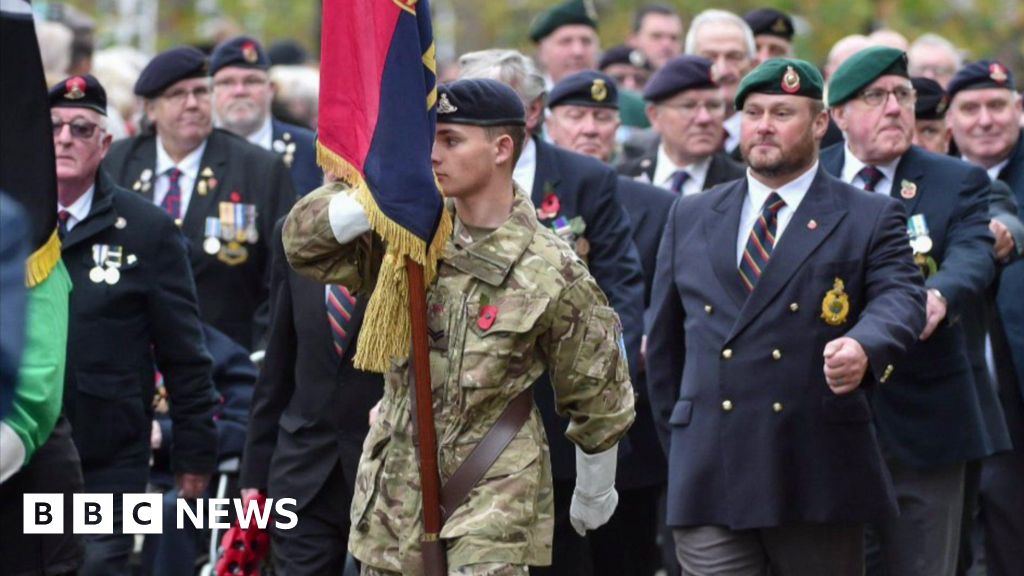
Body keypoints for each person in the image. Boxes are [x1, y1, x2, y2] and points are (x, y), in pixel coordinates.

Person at [282, 78, 635, 575]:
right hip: (396, 491)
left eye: (450, 140)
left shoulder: (551, 267)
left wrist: (595, 487)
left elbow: (599, 392)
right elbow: (303, 245)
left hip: (493, 487)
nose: (433, 155)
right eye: (430, 140)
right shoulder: (406, 236)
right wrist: (379, 197)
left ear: (501, 148)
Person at [647, 57, 927, 576]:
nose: (764, 126)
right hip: (710, 467)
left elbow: (901, 297)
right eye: (753, 113)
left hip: (814, 467)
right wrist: (683, 440)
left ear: (820, 123)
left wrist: (865, 344)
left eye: (782, 112)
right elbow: (665, 344)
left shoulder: (867, 214)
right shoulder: (691, 214)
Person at [459, 49, 646, 576]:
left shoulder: (585, 179)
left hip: (559, 419)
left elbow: (619, 293)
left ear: (532, 112)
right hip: (469, 426)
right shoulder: (442, 180)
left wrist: (601, 383)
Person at [821, 47, 997, 576]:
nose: (896, 107)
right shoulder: (811, 177)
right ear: (837, 116)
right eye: (875, 97)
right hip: (826, 420)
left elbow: (973, 254)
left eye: (902, 95)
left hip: (925, 417)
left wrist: (938, 295)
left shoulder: (955, 180)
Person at [48, 73, 218, 576]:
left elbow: (184, 352)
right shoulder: (14, 220)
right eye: (53, 126)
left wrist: (193, 455)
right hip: (20, 449)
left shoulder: (146, 230)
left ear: (105, 143)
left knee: (96, 567)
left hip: (108, 453)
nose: (63, 139)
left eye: (80, 128)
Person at [547, 70, 675, 576]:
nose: (590, 129)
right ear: (549, 123)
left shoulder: (659, 205)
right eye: (576, 116)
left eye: (603, 118)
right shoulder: (527, 200)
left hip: (630, 427)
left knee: (629, 556)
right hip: (553, 425)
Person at [103, 46, 296, 350]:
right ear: (150, 109)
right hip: (131, 354)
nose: (192, 104)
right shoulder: (118, 163)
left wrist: (261, 354)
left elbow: (281, 275)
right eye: (177, 94)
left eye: (200, 92)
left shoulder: (259, 169)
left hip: (227, 358)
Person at [240, 210, 384, 575]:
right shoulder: (293, 229)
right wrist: (254, 477)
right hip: (302, 468)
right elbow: (277, 362)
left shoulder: (407, 232)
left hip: (383, 472)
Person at [946, 60, 1024, 576]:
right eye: (970, 108)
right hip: (956, 390)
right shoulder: (932, 178)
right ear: (948, 120)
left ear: (1019, 110)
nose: (985, 120)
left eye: (997, 105)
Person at [618, 55, 745, 193]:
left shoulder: (742, 185)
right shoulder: (623, 180)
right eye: (688, 106)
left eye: (714, 106)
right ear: (655, 116)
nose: (704, 118)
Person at [211, 36, 320, 196]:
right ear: (211, 91)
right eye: (227, 82)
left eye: (252, 81)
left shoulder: (311, 151)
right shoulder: (196, 149)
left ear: (271, 89)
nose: (239, 91)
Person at [683, 9, 757, 157]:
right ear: (687, 65)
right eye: (709, 58)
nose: (722, 71)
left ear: (753, 65)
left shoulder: (770, 140)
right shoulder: (662, 142)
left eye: (734, 57)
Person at [529, 0, 600, 87]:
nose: (578, 51)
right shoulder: (527, 99)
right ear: (542, 51)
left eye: (586, 41)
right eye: (566, 41)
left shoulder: (616, 98)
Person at [628, 5, 683, 70]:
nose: (667, 44)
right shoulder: (618, 77)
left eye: (674, 38)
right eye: (656, 36)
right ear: (634, 40)